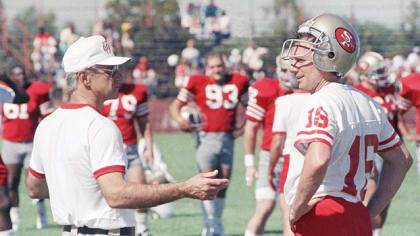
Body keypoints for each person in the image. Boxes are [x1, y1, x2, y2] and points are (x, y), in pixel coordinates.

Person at [25, 35, 229, 236]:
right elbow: (117, 195)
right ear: (84, 77)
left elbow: (35, 188)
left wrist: (80, 189)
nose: (120, 77)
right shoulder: (100, 126)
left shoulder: (47, 124)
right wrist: (184, 188)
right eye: (110, 71)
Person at [280, 13, 412, 235]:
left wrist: (296, 208)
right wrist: (368, 213)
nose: (293, 66)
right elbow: (402, 160)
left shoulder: (321, 101)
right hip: (355, 215)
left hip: (322, 216)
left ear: (329, 56)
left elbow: (318, 159)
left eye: (301, 57)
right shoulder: (368, 103)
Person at [169, 52, 248, 236]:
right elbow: (175, 106)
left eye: (219, 66)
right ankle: (209, 225)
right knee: (208, 182)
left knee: (223, 182)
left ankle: (217, 224)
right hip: (205, 138)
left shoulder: (238, 81)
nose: (217, 70)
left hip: (227, 138)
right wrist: (181, 122)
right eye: (212, 67)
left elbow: (251, 107)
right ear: (207, 69)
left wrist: (242, 128)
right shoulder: (196, 81)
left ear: (225, 65)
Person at [242, 58, 291, 236]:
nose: (287, 75)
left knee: (290, 214)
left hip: (295, 157)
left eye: (291, 70)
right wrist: (249, 163)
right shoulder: (266, 88)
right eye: (284, 70)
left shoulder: (306, 92)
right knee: (264, 207)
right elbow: (251, 127)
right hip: (268, 155)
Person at [101, 76, 154, 236]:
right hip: (106, 150)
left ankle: (142, 229)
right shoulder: (99, 91)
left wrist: (149, 147)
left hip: (130, 149)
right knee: (107, 196)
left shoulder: (136, 91)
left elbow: (144, 123)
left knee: (140, 190)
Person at [354, 51, 398, 236]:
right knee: (369, 200)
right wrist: (366, 157)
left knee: (385, 200)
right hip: (369, 150)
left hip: (389, 151)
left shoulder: (387, 90)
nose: (383, 74)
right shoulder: (358, 93)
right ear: (367, 73)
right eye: (378, 71)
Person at [1, 65, 50, 231]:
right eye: (16, 75)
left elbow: (35, 106)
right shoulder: (4, 90)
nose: (20, 78)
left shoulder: (34, 89)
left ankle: (41, 214)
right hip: (10, 143)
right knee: (11, 183)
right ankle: (15, 220)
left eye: (22, 74)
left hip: (31, 142)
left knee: (34, 182)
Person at [268, 57, 311, 236]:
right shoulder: (319, 98)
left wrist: (270, 169)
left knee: (289, 220)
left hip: (291, 161)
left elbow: (277, 140)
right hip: (316, 159)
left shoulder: (283, 102)